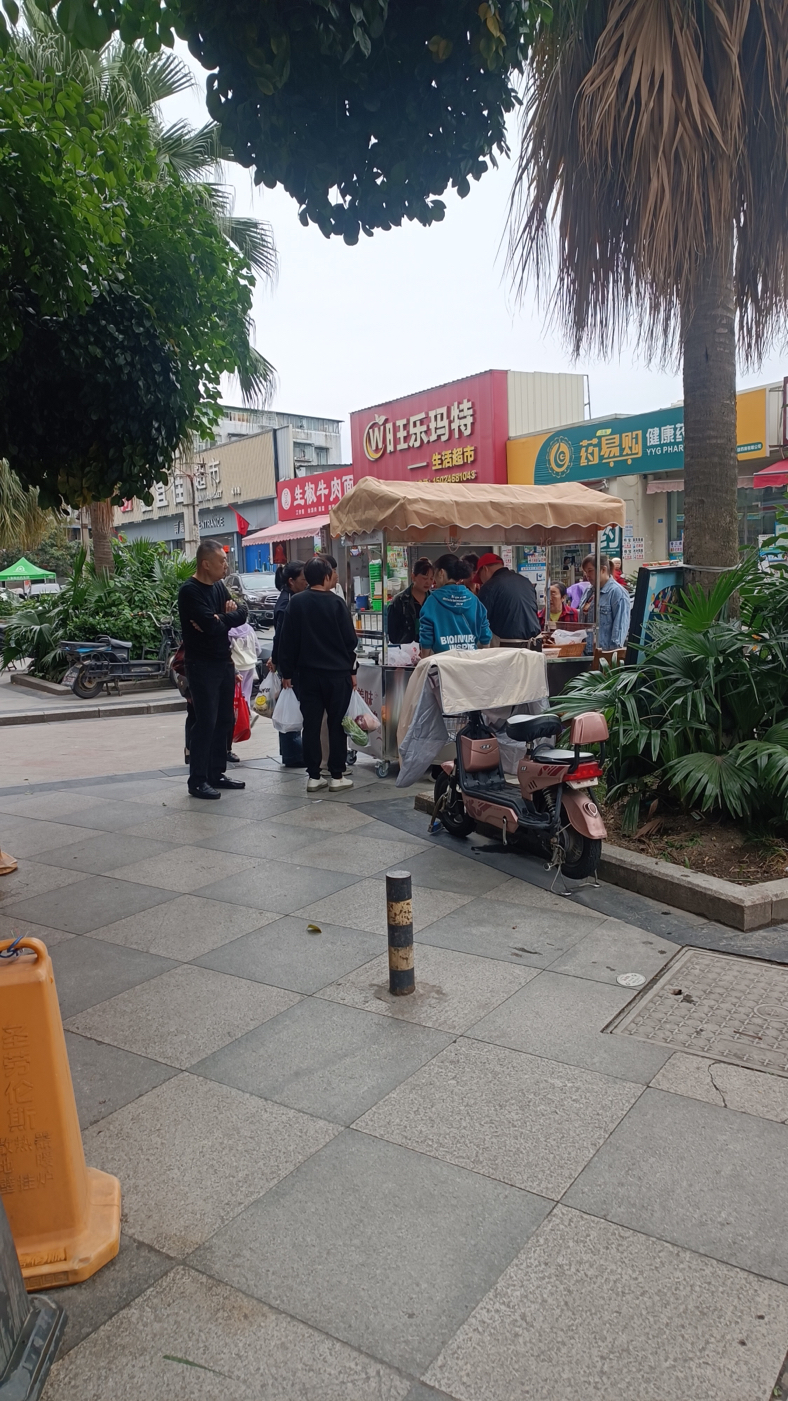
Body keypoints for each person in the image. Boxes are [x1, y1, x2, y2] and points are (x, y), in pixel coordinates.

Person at [278, 555, 358, 793]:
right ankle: (336, 775)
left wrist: (286, 673)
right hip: (337, 675)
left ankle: (314, 776)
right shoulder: (337, 604)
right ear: (326, 576)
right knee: (337, 724)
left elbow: (287, 641)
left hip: (307, 676)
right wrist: (351, 669)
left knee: (311, 725)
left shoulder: (297, 603)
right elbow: (350, 641)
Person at [178, 538, 248, 799]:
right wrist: (219, 620)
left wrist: (222, 618)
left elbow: (243, 612)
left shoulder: (219, 586)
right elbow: (210, 626)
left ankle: (216, 773)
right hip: (201, 664)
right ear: (206, 564)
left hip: (224, 661)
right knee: (206, 721)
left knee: (225, 719)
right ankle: (197, 779)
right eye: (222, 561)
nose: (225, 565)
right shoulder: (190, 591)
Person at [269, 560, 307, 767]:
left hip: (289, 664)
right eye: (303, 579)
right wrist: (283, 667)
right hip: (291, 666)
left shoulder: (291, 599)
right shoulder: (286, 604)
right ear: (291, 581)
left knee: (291, 704)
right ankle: (293, 754)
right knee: (292, 706)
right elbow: (281, 639)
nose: (306, 583)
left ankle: (290, 752)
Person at [419, 554, 492, 656]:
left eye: (435, 573)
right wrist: (485, 656)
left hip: (443, 661)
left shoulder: (433, 601)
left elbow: (426, 634)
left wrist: (424, 658)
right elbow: (485, 631)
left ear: (441, 573)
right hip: (469, 660)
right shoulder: (473, 599)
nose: (434, 579)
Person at [476, 552, 540, 645]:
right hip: (535, 644)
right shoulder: (525, 581)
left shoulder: (489, 586)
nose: (481, 582)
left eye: (479, 576)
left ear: (485, 569)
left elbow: (480, 620)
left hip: (508, 646)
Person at [578, 554, 632, 653]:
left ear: (603, 569)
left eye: (590, 571)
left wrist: (611, 654)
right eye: (585, 572)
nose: (587, 575)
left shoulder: (617, 592)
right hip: (585, 651)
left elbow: (620, 628)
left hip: (604, 652)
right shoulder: (588, 591)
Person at [387, 557, 434, 644]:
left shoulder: (434, 600)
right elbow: (392, 634)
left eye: (431, 579)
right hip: (405, 649)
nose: (428, 582)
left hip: (430, 648)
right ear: (413, 577)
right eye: (425, 578)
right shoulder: (398, 601)